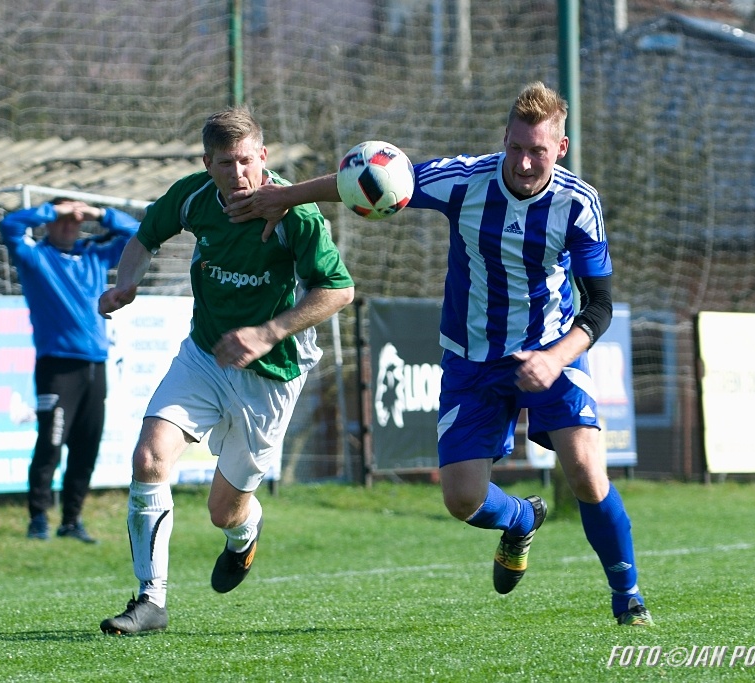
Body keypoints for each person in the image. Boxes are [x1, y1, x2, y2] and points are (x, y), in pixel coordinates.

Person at [225, 82, 653, 627]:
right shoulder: (465, 179)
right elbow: (374, 176)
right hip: (472, 359)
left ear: (560, 149)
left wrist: (556, 358)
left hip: (552, 349)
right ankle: (520, 520)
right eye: (516, 147)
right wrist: (286, 196)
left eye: (538, 151)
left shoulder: (578, 204)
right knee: (462, 500)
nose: (524, 162)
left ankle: (628, 597)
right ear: (504, 138)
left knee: (587, 472)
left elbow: (600, 306)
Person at [97, 106, 355, 635]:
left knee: (224, 512)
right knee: (149, 457)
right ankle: (151, 600)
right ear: (207, 164)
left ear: (263, 156)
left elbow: (339, 290)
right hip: (205, 355)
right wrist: (127, 282)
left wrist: (267, 333)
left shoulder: (297, 216)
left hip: (272, 373)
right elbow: (144, 239)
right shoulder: (192, 196)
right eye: (225, 163)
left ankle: (244, 535)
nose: (239, 174)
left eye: (246, 161)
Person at [0, 198, 140, 543]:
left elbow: (137, 234)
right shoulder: (36, 257)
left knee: (86, 448)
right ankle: (38, 519)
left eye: (74, 220)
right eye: (62, 219)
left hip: (95, 365)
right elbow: (10, 225)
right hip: (57, 366)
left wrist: (98, 214)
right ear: (49, 222)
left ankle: (71, 521)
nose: (68, 225)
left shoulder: (93, 254)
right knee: (51, 443)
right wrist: (55, 210)